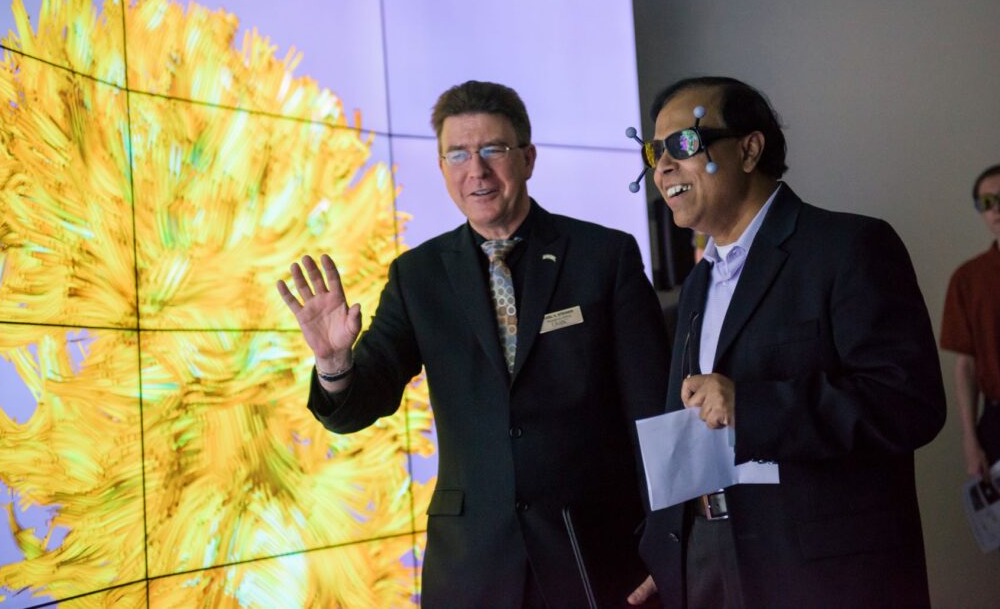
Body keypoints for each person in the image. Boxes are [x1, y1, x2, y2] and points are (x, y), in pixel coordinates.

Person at [276, 80, 670, 608]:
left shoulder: (604, 257)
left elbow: (656, 414)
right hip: (473, 566)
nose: (476, 171)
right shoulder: (418, 276)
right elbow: (357, 405)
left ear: (528, 158)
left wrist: (668, 543)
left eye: (492, 150)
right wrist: (333, 361)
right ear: (441, 168)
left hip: (597, 553)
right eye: (457, 154)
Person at [628, 76, 946, 608]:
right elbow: (690, 420)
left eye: (683, 145)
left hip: (822, 573)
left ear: (750, 149)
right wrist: (669, 549)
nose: (662, 167)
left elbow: (909, 403)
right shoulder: (698, 283)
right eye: (653, 152)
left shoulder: (849, 247)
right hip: (707, 559)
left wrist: (751, 407)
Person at [941, 164, 1000, 481]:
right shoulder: (969, 279)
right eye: (987, 203)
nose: (996, 210)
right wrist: (970, 439)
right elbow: (966, 364)